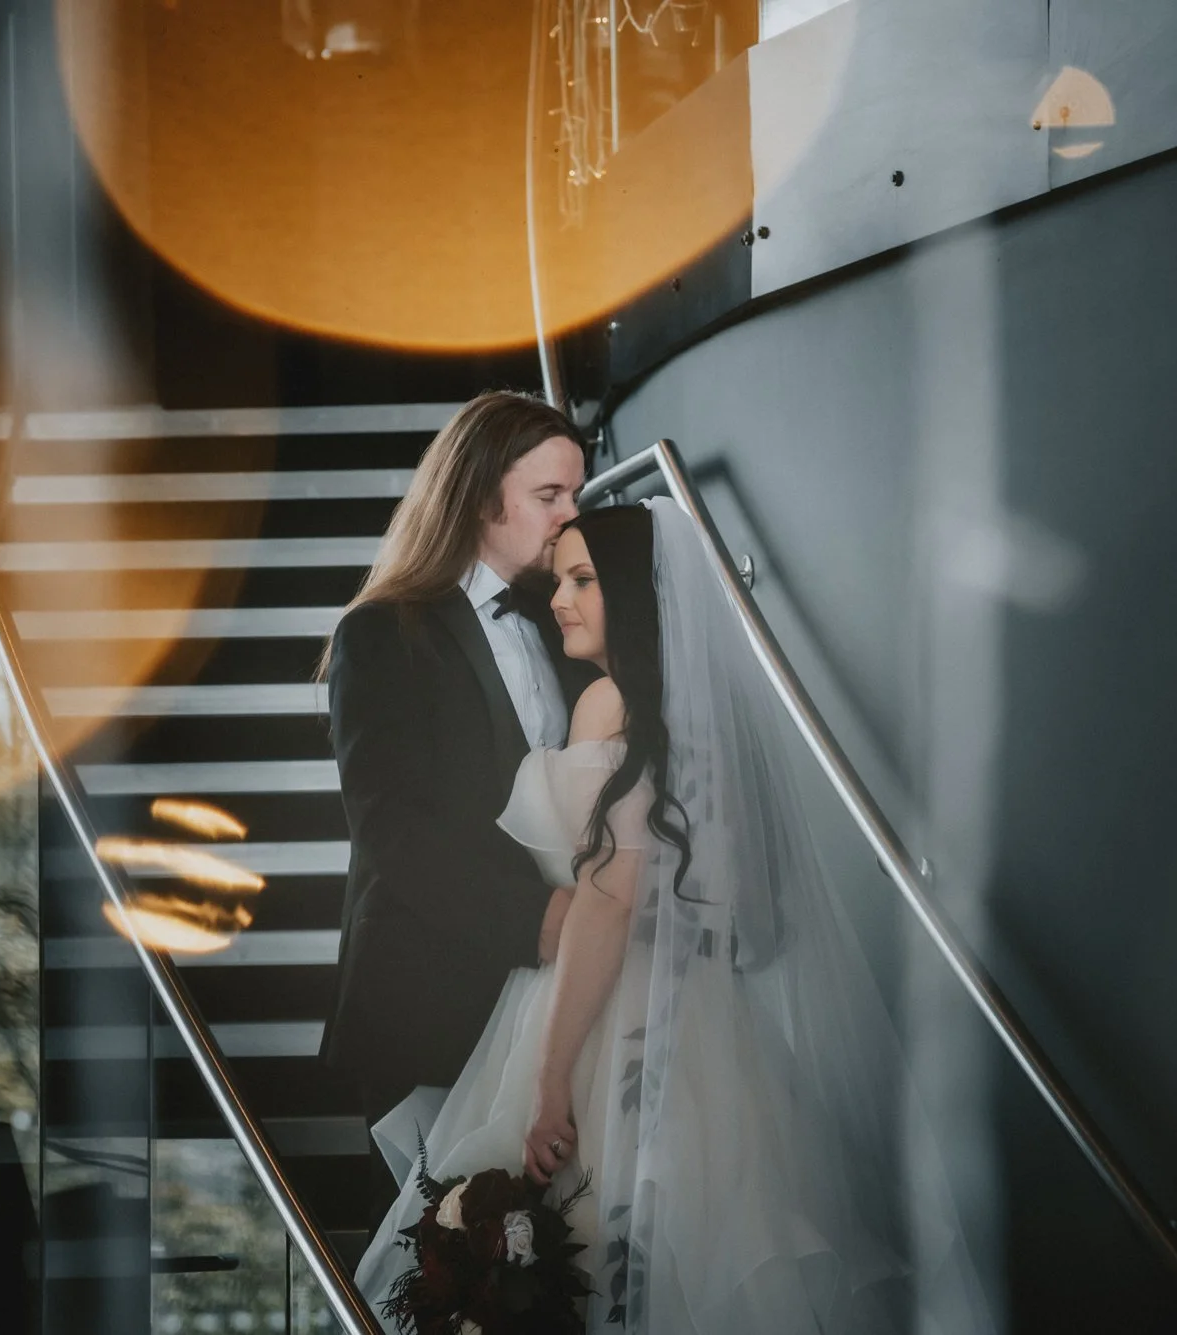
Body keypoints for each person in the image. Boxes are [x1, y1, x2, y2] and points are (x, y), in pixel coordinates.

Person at [354, 499, 993, 1333]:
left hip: (600, 1015)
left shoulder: (607, 705)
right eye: (560, 580)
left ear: (634, 591)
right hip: (706, 1022)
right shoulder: (703, 724)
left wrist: (551, 1080)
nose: (558, 599)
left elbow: (608, 901)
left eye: (583, 580)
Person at [321, 391, 599, 1180]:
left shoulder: (565, 622)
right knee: (449, 1247)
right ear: (480, 497)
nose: (570, 516)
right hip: (429, 1003)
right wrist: (540, 919)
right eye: (549, 495)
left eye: (576, 493)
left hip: (549, 1003)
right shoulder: (381, 632)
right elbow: (394, 832)